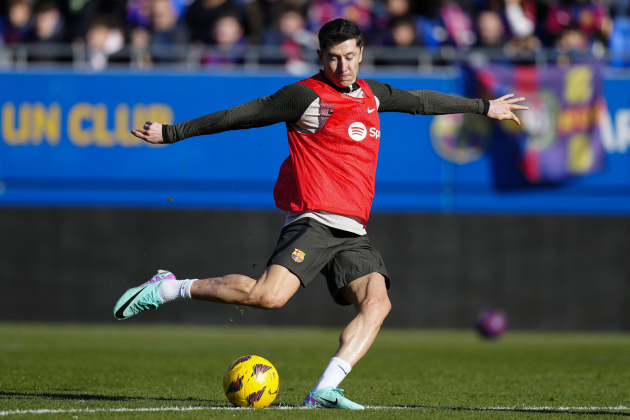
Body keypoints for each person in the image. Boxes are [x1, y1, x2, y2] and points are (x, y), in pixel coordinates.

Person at [113, 18, 527, 410]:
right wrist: (172, 132)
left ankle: (325, 389)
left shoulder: (372, 94)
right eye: (332, 57)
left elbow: (420, 101)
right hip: (313, 219)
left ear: (361, 53)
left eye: (349, 56)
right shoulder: (304, 95)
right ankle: (169, 287)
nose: (342, 65)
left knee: (377, 304)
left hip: (353, 230)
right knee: (267, 298)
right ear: (320, 56)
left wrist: (482, 106)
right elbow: (240, 116)